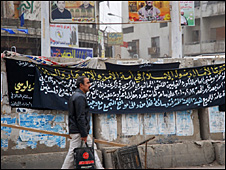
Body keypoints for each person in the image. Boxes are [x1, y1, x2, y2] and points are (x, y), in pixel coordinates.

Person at [61, 76, 104, 169]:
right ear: (81, 85)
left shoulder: (77, 96)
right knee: (72, 153)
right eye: (87, 83)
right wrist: (84, 133)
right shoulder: (79, 97)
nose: (90, 85)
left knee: (91, 150)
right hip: (79, 131)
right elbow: (80, 117)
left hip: (79, 130)